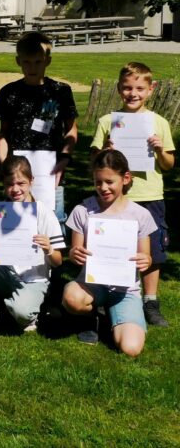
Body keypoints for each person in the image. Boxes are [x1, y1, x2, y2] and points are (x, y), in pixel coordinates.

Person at [91, 62, 175, 326]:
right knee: (109, 247)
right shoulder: (108, 122)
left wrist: (160, 150)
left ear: (151, 89)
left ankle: (150, 301)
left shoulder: (159, 123)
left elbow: (168, 165)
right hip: (114, 198)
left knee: (153, 251)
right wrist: (104, 151)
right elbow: (94, 161)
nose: (133, 93)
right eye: (127, 88)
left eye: (139, 88)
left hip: (149, 196)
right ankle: (105, 297)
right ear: (119, 89)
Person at [62, 150, 157, 356]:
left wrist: (146, 260)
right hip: (91, 285)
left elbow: (146, 256)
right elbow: (74, 253)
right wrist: (75, 253)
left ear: (126, 178)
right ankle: (90, 318)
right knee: (72, 298)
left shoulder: (141, 215)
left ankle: (115, 315)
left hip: (125, 290)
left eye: (109, 182)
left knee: (131, 349)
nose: (103, 188)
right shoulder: (83, 211)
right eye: (98, 182)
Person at [0, 156, 65, 336]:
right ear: (3, 184)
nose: (15, 189)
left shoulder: (43, 212)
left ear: (31, 181)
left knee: (22, 314)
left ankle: (23, 310)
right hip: (4, 273)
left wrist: (49, 249)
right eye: (10, 184)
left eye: (21, 183)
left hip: (33, 279)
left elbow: (58, 261)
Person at [0, 31, 77, 224]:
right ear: (18, 61)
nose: (32, 67)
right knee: (15, 224)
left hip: (51, 172)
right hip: (17, 174)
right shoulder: (9, 93)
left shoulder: (60, 91)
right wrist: (4, 162)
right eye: (27, 62)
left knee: (52, 223)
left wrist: (64, 159)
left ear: (48, 60)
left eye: (38, 62)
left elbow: (71, 130)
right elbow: (3, 132)